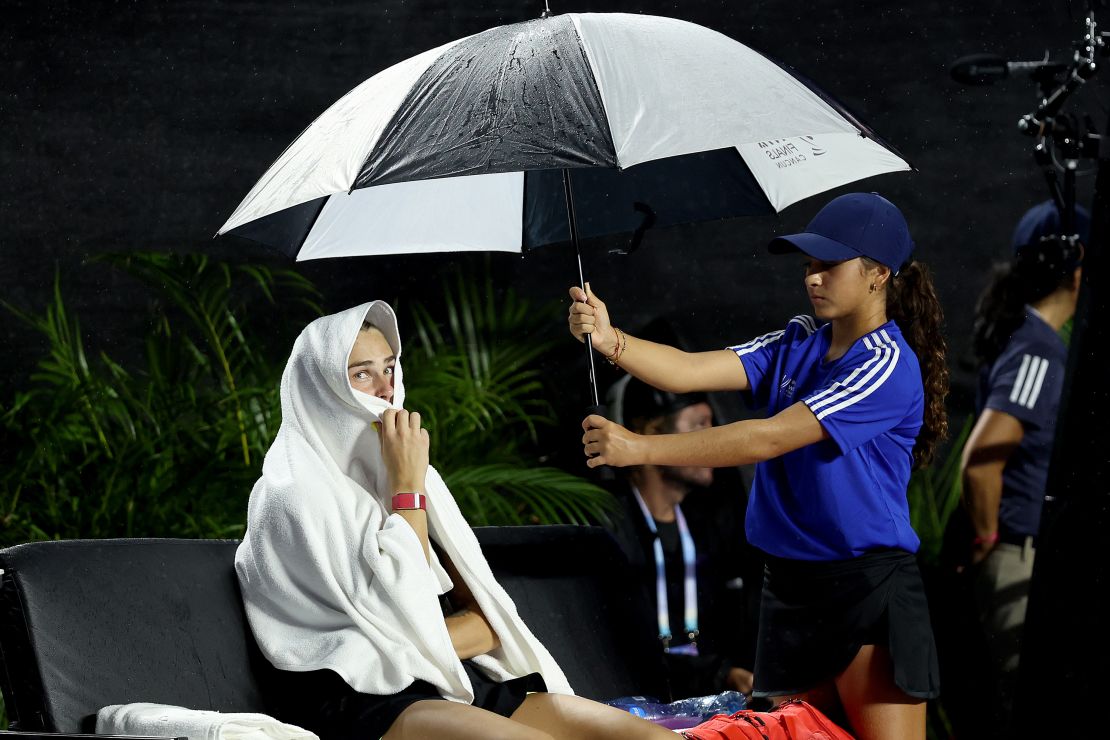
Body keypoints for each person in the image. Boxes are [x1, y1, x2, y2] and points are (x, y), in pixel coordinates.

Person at [567, 192, 947, 740]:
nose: (813, 278)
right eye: (809, 266)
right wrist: (610, 339)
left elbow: (768, 438)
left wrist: (642, 449)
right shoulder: (796, 343)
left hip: (865, 591)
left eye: (829, 266)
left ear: (878, 275)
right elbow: (687, 371)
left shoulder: (886, 365)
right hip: (789, 590)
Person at [235, 301, 676, 740]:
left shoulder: (405, 467)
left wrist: (417, 640)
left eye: (390, 368)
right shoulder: (291, 493)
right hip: (368, 700)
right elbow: (405, 621)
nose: (385, 389)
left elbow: (487, 619)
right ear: (321, 385)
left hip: (455, 680)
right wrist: (407, 488)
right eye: (361, 374)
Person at [958, 200, 1086, 732]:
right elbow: (981, 460)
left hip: (1020, 554)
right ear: (1075, 272)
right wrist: (989, 544)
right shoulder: (1037, 348)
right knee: (1028, 710)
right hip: (1016, 558)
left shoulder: (1027, 337)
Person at [604, 374, 760, 702]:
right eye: (698, 425)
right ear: (651, 434)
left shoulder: (710, 528)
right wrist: (719, 674)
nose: (714, 439)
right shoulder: (606, 530)